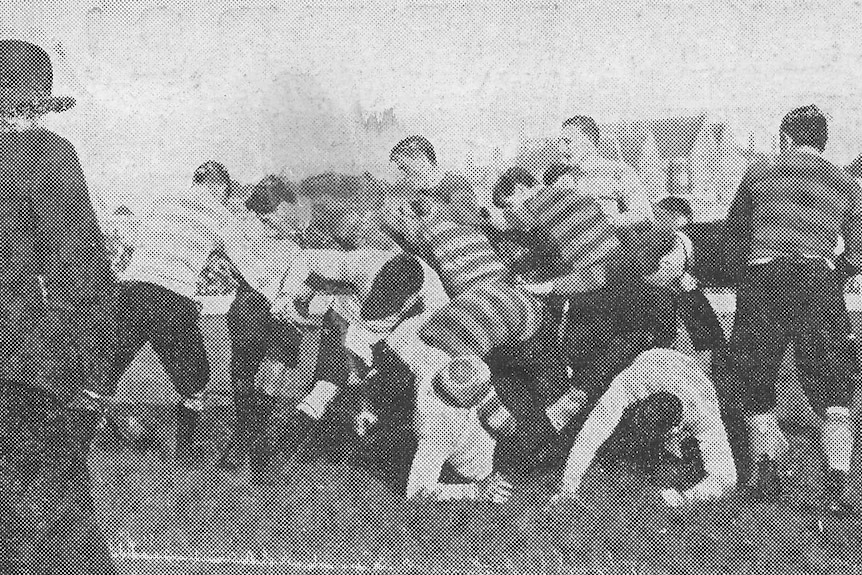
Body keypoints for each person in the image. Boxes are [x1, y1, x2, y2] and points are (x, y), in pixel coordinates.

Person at [668, 106, 860, 515]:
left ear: (786, 138)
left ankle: (768, 472)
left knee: (755, 380)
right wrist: (834, 270)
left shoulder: (759, 172)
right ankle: (841, 479)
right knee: (832, 383)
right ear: (822, 142)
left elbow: (734, 237)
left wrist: (729, 277)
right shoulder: (847, 184)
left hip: (765, 279)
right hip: (817, 279)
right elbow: (857, 251)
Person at [0, 39, 118, 574]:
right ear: (37, 101)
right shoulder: (51, 155)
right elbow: (83, 262)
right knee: (54, 483)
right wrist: (93, 356)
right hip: (40, 344)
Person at [255, 248, 449, 477]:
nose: (380, 304)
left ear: (410, 300)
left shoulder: (433, 300)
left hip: (388, 339)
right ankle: (283, 447)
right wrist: (286, 296)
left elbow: (420, 350)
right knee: (327, 385)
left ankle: (354, 427)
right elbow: (306, 258)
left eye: (389, 301)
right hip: (345, 317)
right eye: (379, 294)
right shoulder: (365, 263)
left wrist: (376, 368)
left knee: (377, 387)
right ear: (378, 277)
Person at [97, 160, 237, 460]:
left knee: (107, 368)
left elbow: (136, 243)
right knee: (196, 379)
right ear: (219, 188)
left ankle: (99, 431)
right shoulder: (221, 215)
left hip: (131, 291)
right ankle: (185, 450)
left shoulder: (162, 201)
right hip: (172, 299)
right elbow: (245, 261)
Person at [349, 312, 512, 503]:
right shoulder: (441, 431)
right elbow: (417, 491)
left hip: (416, 410)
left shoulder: (435, 360)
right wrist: (475, 492)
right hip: (453, 463)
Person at [551, 349, 737, 509]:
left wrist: (683, 498)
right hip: (652, 361)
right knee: (600, 425)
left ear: (672, 432)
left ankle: (663, 459)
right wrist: (568, 487)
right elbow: (590, 435)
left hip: (695, 382)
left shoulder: (703, 415)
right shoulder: (631, 383)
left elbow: (727, 478)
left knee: (680, 471)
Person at [216, 175, 310, 470]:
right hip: (256, 307)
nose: (292, 215)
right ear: (279, 207)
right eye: (288, 209)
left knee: (266, 376)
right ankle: (252, 438)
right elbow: (250, 267)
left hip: (277, 312)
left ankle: (246, 437)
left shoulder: (290, 243)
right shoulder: (242, 229)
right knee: (251, 374)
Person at [559, 115, 653, 228]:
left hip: (613, 243)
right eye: (560, 143)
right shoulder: (564, 180)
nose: (562, 149)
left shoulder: (619, 172)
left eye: (568, 142)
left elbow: (643, 214)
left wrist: (609, 222)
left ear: (589, 142)